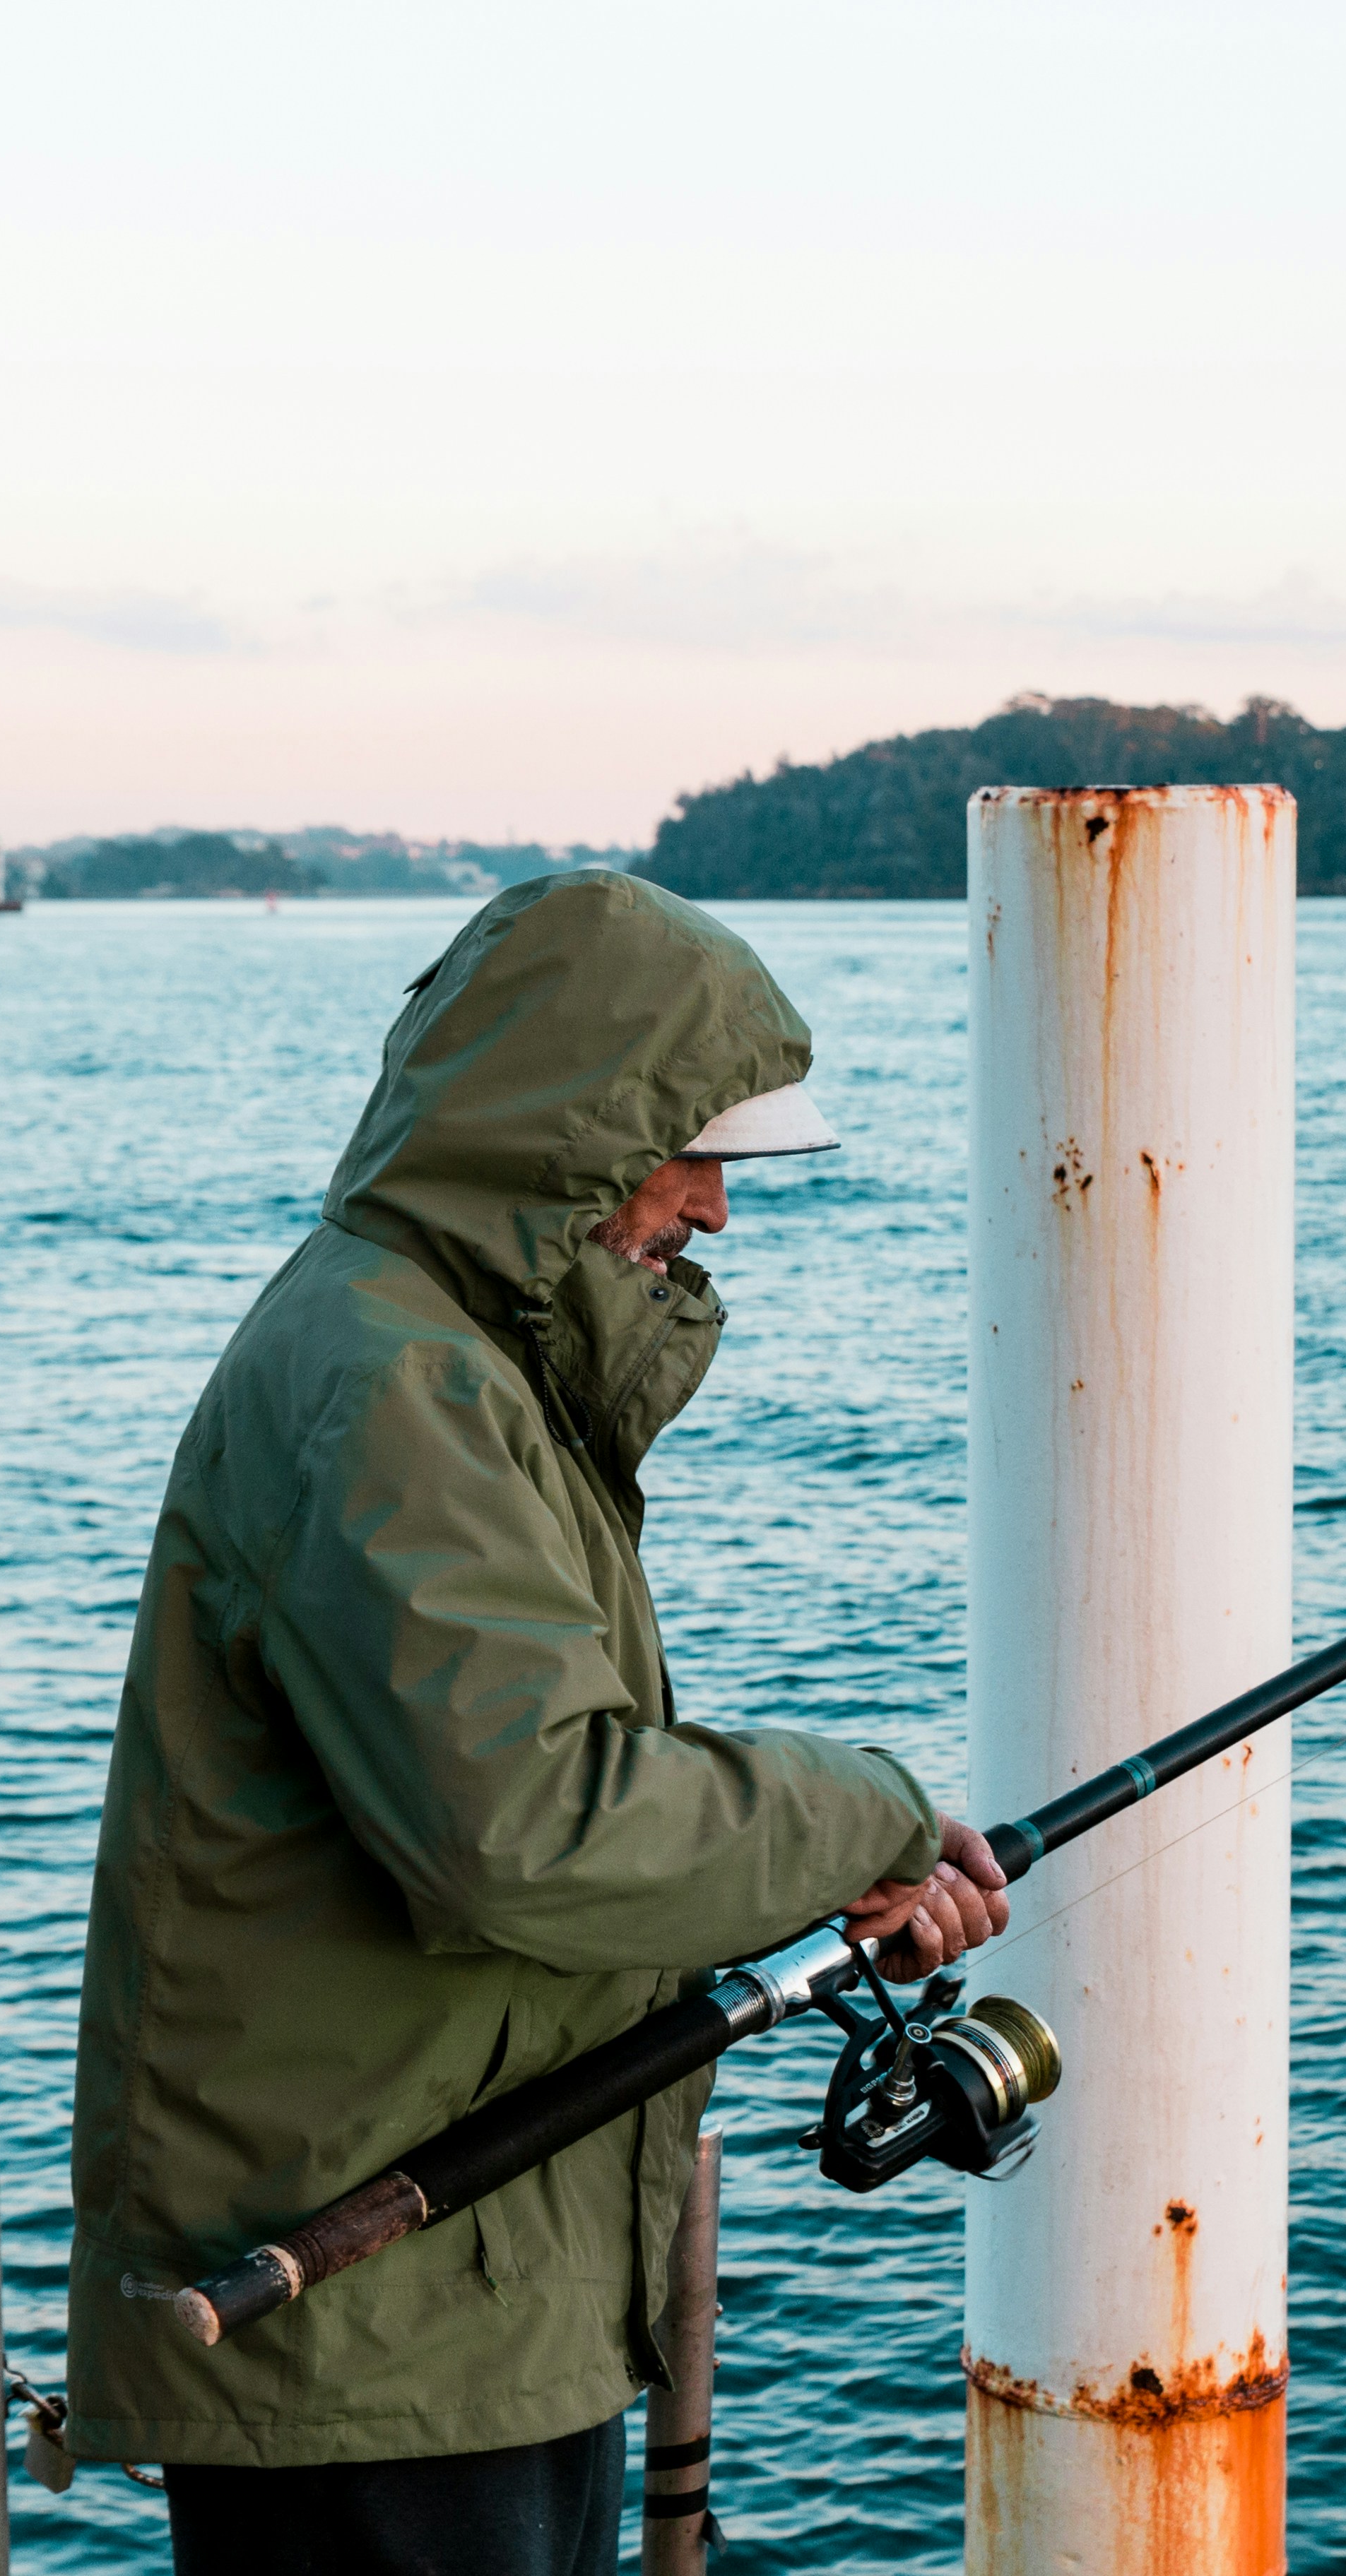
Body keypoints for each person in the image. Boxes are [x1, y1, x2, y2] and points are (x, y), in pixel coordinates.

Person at [67, 870, 1008, 2574]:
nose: (715, 1208)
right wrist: (865, 1814)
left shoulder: (446, 1360)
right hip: (378, 2340)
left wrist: (831, 1874)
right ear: (567, 1131)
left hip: (460, 2309)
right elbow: (528, 1824)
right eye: (691, 1151)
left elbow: (522, 1815)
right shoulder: (394, 1386)